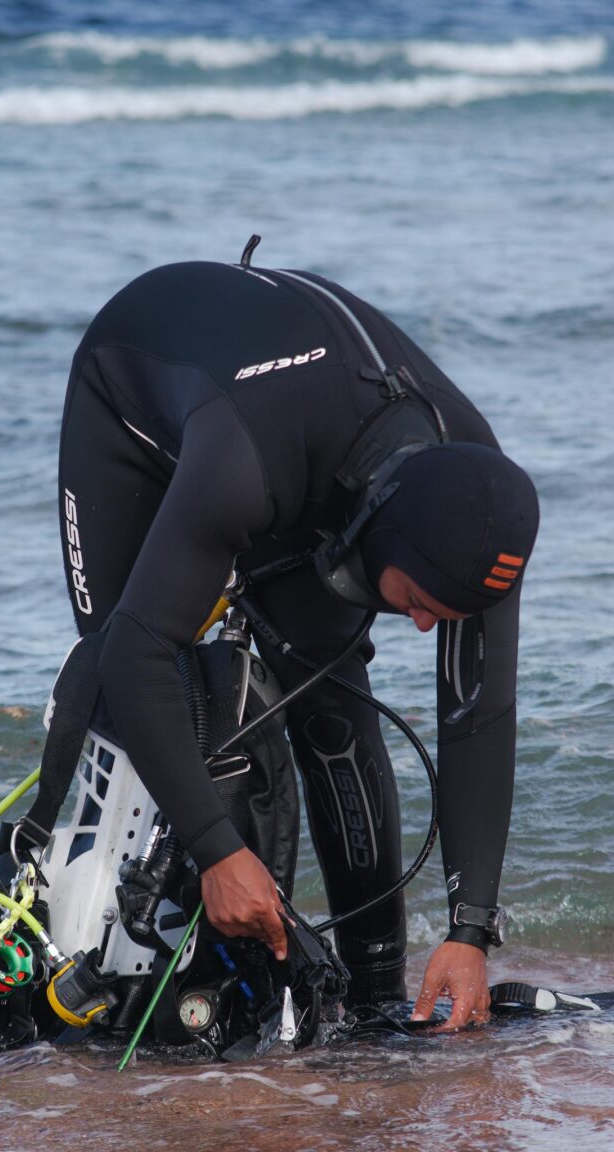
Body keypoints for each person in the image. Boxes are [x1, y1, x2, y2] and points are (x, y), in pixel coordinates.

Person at [57, 250, 539, 1031]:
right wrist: (217, 848)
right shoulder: (244, 465)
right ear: (379, 547)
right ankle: (146, 975)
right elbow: (133, 656)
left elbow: (478, 717)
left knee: (329, 698)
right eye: (417, 603)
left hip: (316, 442)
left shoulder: (482, 503)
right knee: (142, 683)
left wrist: (470, 933)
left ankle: (377, 995)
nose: (425, 627)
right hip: (136, 398)